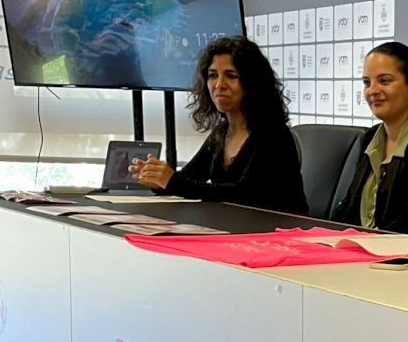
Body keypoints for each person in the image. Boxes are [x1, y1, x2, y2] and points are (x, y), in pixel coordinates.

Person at [130, 36, 307, 215]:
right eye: (213, 75)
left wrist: (172, 181)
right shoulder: (221, 132)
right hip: (235, 226)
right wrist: (157, 180)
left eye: (231, 76)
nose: (219, 85)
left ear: (252, 82)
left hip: (277, 229)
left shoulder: (273, 133)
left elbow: (245, 194)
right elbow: (189, 178)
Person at [331, 42, 408, 235]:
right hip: (360, 246)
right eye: (367, 82)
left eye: (384, 81)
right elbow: (349, 209)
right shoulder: (370, 138)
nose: (372, 90)